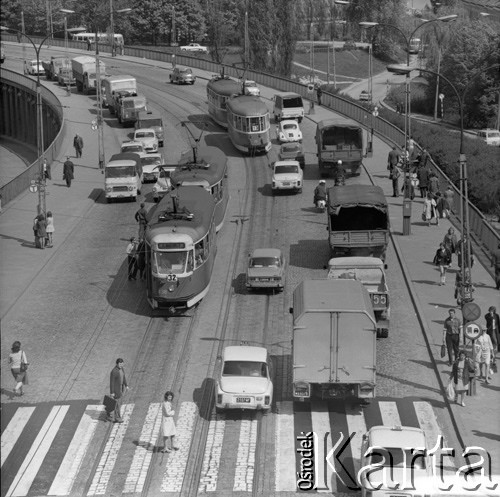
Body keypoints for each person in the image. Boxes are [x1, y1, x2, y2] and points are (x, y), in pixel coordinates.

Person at [107, 358, 128, 423]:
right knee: (117, 405)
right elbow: (112, 383)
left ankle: (109, 413)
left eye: (122, 364)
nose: (121, 365)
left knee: (116, 404)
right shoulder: (114, 371)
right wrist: (112, 392)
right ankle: (118, 418)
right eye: (120, 364)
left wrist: (126, 385)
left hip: (121, 389)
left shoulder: (122, 369)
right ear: (117, 364)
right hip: (116, 391)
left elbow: (123, 377)